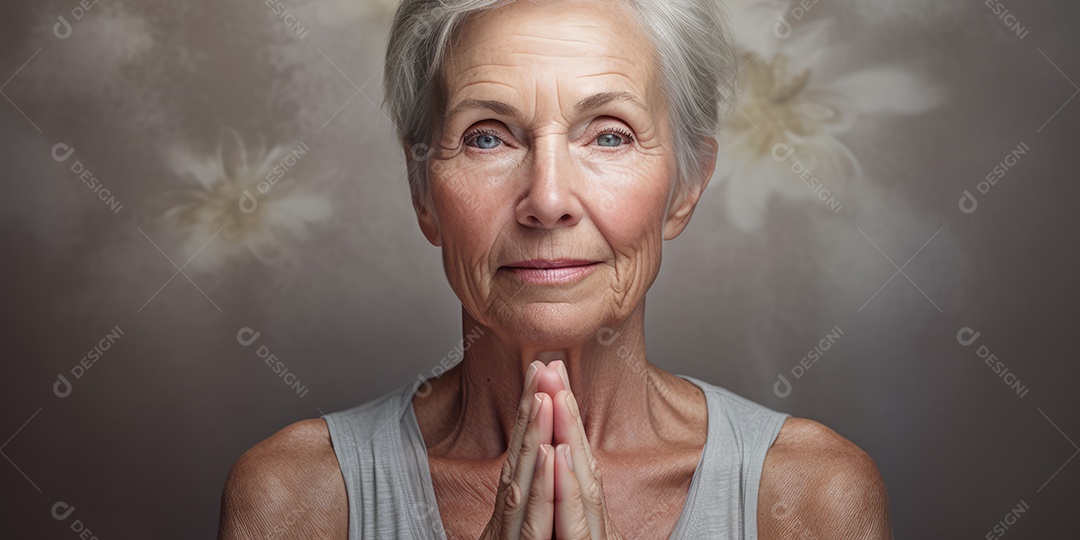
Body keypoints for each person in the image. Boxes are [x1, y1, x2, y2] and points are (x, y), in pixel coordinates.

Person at [218, 0, 892, 538]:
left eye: (609, 134)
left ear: (686, 187)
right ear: (423, 190)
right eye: (488, 136)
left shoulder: (811, 498)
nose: (546, 199)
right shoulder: (297, 501)